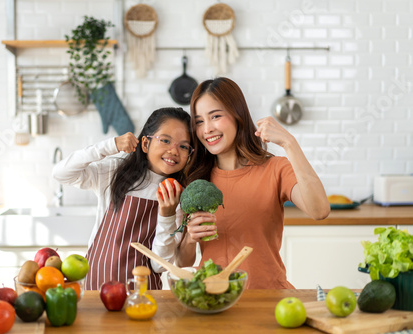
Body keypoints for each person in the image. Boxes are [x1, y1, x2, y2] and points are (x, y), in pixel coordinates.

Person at [172, 77, 330, 289]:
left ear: (238, 115)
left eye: (216, 116)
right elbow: (183, 262)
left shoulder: (275, 169)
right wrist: (191, 238)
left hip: (268, 298)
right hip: (214, 300)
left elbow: (319, 210)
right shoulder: (195, 178)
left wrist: (289, 143)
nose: (206, 129)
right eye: (199, 121)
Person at [52, 107, 192, 290]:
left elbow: (159, 265)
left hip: (142, 294)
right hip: (96, 285)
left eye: (183, 146)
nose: (174, 151)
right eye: (165, 140)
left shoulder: (178, 196)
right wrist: (110, 145)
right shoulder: (113, 173)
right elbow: (61, 174)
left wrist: (167, 215)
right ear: (145, 144)